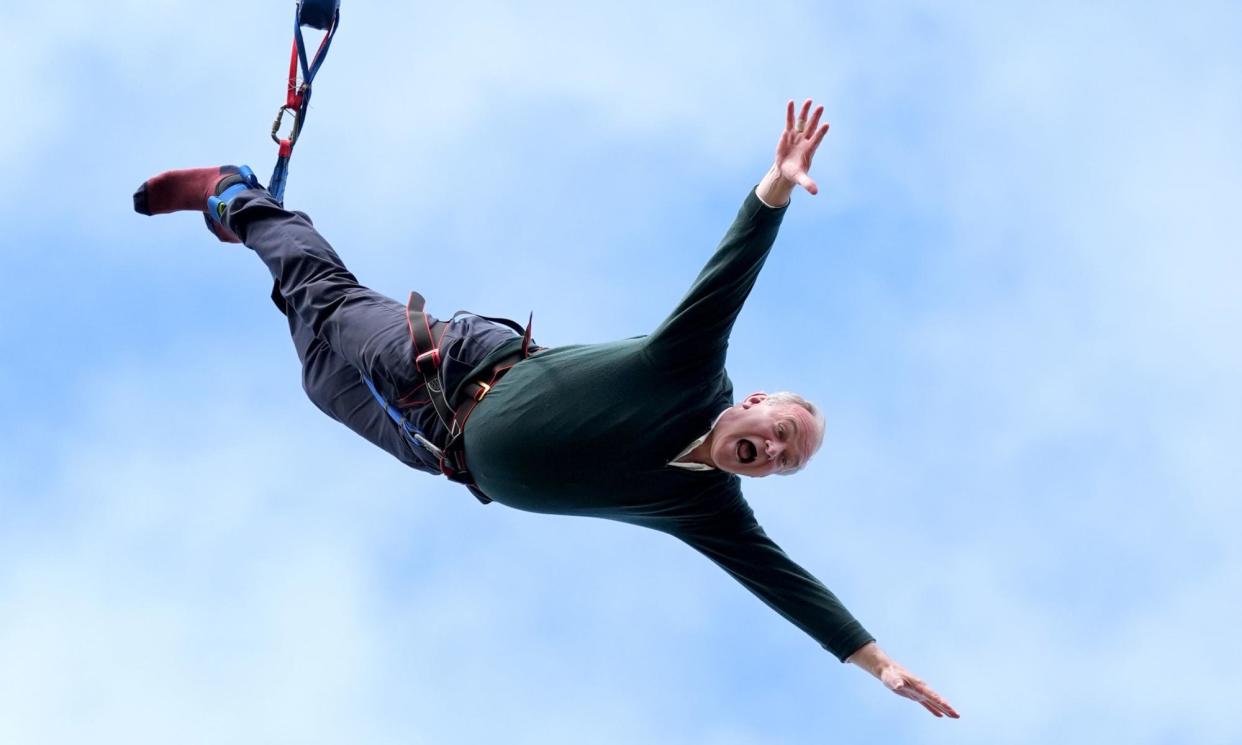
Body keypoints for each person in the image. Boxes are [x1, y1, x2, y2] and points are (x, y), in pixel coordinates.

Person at [134, 99, 959, 719]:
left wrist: (878, 662)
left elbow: (786, 584)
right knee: (327, 296)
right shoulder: (688, 370)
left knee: (317, 366)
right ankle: (234, 194)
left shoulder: (705, 507)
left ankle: (267, 235)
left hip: (434, 444)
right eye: (781, 431)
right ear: (752, 403)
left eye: (788, 458)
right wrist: (775, 184)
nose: (776, 449)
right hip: (452, 363)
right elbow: (731, 270)